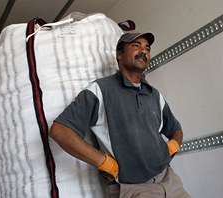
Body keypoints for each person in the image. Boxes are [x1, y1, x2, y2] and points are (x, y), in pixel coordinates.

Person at [49, 32, 190, 198]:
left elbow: (176, 129)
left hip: (169, 180)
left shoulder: (154, 95)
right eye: (136, 46)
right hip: (133, 189)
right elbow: (60, 131)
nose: (143, 51)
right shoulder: (101, 90)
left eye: (147, 48)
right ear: (119, 54)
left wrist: (172, 147)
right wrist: (105, 163)